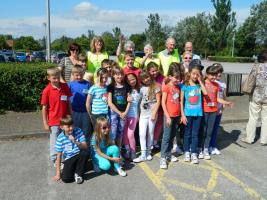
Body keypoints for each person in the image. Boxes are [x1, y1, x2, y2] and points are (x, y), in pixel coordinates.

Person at [200, 64, 233, 160]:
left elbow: (217, 98)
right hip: (204, 111)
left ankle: (206, 148)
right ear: (207, 74)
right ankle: (201, 148)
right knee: (203, 131)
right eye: (212, 75)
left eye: (215, 75)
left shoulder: (216, 85)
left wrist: (226, 102)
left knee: (209, 131)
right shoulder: (202, 83)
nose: (214, 77)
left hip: (213, 111)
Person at [41, 67, 72, 163]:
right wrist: (45, 123)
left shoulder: (64, 86)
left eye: (58, 77)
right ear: (48, 78)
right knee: (54, 140)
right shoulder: (47, 90)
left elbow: (68, 102)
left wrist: (70, 115)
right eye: (54, 78)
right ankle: (55, 159)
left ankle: (66, 156)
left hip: (65, 119)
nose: (57, 80)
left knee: (66, 138)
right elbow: (44, 108)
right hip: (54, 121)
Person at [180, 60, 207, 164]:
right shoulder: (184, 86)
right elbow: (181, 101)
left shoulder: (199, 85)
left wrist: (200, 81)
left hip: (198, 114)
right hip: (187, 114)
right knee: (187, 134)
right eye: (194, 74)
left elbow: (205, 92)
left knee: (195, 134)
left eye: (198, 74)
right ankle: (187, 152)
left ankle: (194, 153)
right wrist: (182, 115)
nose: (196, 76)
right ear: (189, 73)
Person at [133, 71, 161, 163]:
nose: (146, 80)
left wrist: (154, 113)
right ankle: (143, 154)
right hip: (143, 114)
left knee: (150, 133)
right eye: (144, 79)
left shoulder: (156, 87)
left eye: (147, 77)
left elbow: (158, 101)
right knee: (142, 133)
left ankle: (148, 152)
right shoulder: (141, 88)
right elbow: (139, 100)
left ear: (150, 76)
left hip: (152, 114)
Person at [159, 64, 183, 169]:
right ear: (170, 76)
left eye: (179, 77)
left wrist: (181, 115)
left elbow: (180, 101)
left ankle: (168, 154)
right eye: (176, 77)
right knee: (166, 137)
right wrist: (167, 116)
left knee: (172, 135)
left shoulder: (178, 87)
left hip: (177, 116)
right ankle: (163, 158)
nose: (178, 79)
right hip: (169, 116)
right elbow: (163, 103)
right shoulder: (167, 87)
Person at [53, 116, 89, 184]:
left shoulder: (78, 130)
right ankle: (71, 167)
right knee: (66, 179)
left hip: (79, 154)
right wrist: (58, 173)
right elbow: (59, 155)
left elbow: (85, 147)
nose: (71, 128)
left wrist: (75, 141)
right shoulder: (60, 138)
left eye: (72, 125)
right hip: (69, 158)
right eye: (68, 126)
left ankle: (78, 174)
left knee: (86, 152)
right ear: (62, 127)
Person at [241, 51, 267, 145]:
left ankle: (249, 138)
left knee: (253, 117)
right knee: (266, 118)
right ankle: (264, 140)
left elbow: (250, 80)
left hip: (256, 95)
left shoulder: (257, 66)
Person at [68, 65, 92, 143]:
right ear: (73, 74)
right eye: (76, 75)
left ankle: (86, 150)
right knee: (75, 130)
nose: (79, 77)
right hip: (75, 112)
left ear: (83, 73)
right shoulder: (70, 85)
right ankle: (76, 148)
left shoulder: (88, 84)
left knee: (86, 130)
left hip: (86, 112)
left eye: (81, 75)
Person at [107, 66, 131, 146]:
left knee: (120, 132)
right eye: (117, 74)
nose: (119, 76)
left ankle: (119, 149)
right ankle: (114, 150)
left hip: (124, 112)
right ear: (113, 75)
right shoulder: (110, 87)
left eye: (121, 74)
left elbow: (129, 101)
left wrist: (125, 112)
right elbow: (110, 103)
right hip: (114, 112)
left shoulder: (127, 86)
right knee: (113, 132)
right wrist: (119, 113)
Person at [209, 63, 226, 155]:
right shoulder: (211, 82)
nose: (219, 74)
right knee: (208, 129)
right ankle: (207, 146)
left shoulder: (223, 83)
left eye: (220, 72)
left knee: (215, 129)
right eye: (217, 72)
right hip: (210, 110)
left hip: (218, 110)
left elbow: (224, 96)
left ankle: (213, 146)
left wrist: (223, 107)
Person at [123, 73, 141, 160]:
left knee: (130, 134)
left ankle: (133, 151)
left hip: (134, 115)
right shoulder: (126, 89)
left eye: (133, 79)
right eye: (129, 80)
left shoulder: (139, 89)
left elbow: (140, 104)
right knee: (124, 134)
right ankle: (127, 150)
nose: (131, 81)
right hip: (125, 114)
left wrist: (139, 115)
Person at [147, 62, 165, 149]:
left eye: (156, 70)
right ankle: (149, 142)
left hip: (160, 103)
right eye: (152, 71)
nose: (155, 73)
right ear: (148, 71)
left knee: (159, 124)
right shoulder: (147, 78)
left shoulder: (162, 78)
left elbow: (164, 89)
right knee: (150, 124)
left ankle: (155, 141)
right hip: (150, 105)